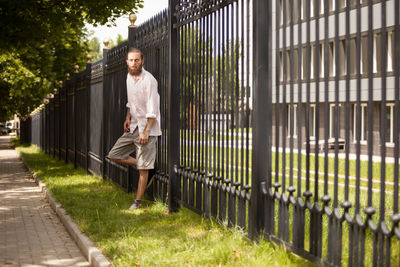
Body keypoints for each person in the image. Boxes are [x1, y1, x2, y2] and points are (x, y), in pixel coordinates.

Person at [107, 47, 162, 210]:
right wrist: (127, 117)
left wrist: (146, 131)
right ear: (127, 62)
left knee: (143, 170)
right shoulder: (129, 78)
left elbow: (153, 108)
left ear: (142, 61)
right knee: (114, 154)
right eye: (131, 60)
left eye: (136, 60)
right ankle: (147, 166)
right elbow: (131, 101)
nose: (133, 63)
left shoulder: (149, 80)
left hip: (147, 129)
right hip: (133, 126)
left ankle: (137, 203)